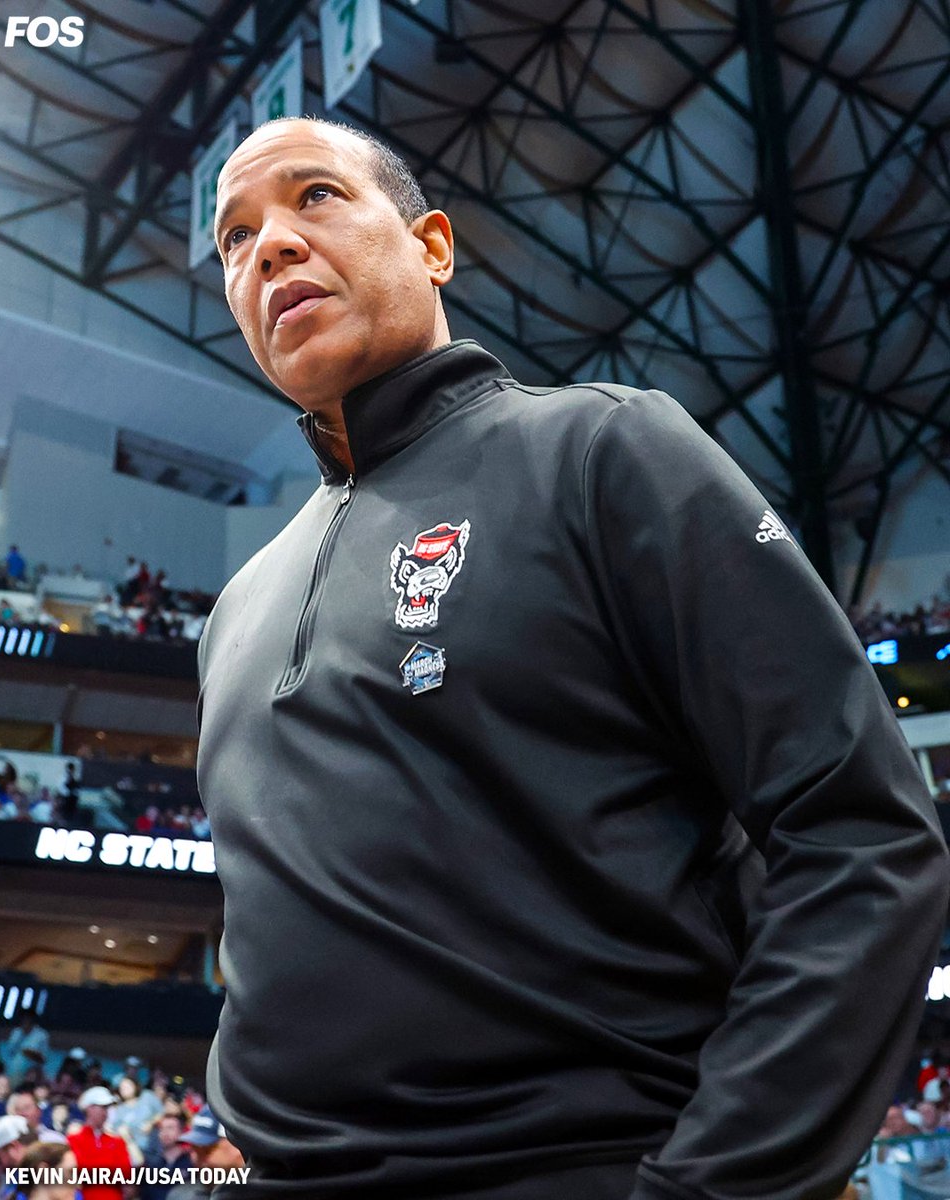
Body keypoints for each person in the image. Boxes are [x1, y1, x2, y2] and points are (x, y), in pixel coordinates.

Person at [195, 115, 950, 1200]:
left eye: (314, 197)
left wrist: (715, 1185)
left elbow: (863, 835)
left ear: (434, 246)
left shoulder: (607, 451)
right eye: (233, 238)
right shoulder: (235, 611)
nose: (267, 246)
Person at [66, 1087, 130, 1200]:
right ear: (89, 1108)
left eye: (107, 1107)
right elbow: (76, 1173)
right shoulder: (73, 1140)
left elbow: (125, 1174)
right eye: (102, 1107)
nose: (106, 1112)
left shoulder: (117, 1141)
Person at [165, 1108, 244, 1200]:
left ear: (239, 1146)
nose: (196, 1159)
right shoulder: (182, 1196)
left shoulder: (261, 1193)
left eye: (206, 1150)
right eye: (193, 1150)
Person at [0, 1017, 49, 1088]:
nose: (25, 1024)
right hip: (11, 1071)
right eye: (23, 1022)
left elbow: (43, 1058)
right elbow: (8, 1051)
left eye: (27, 1022)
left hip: (30, 1075)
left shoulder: (42, 1035)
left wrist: (31, 1054)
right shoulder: (16, 1032)